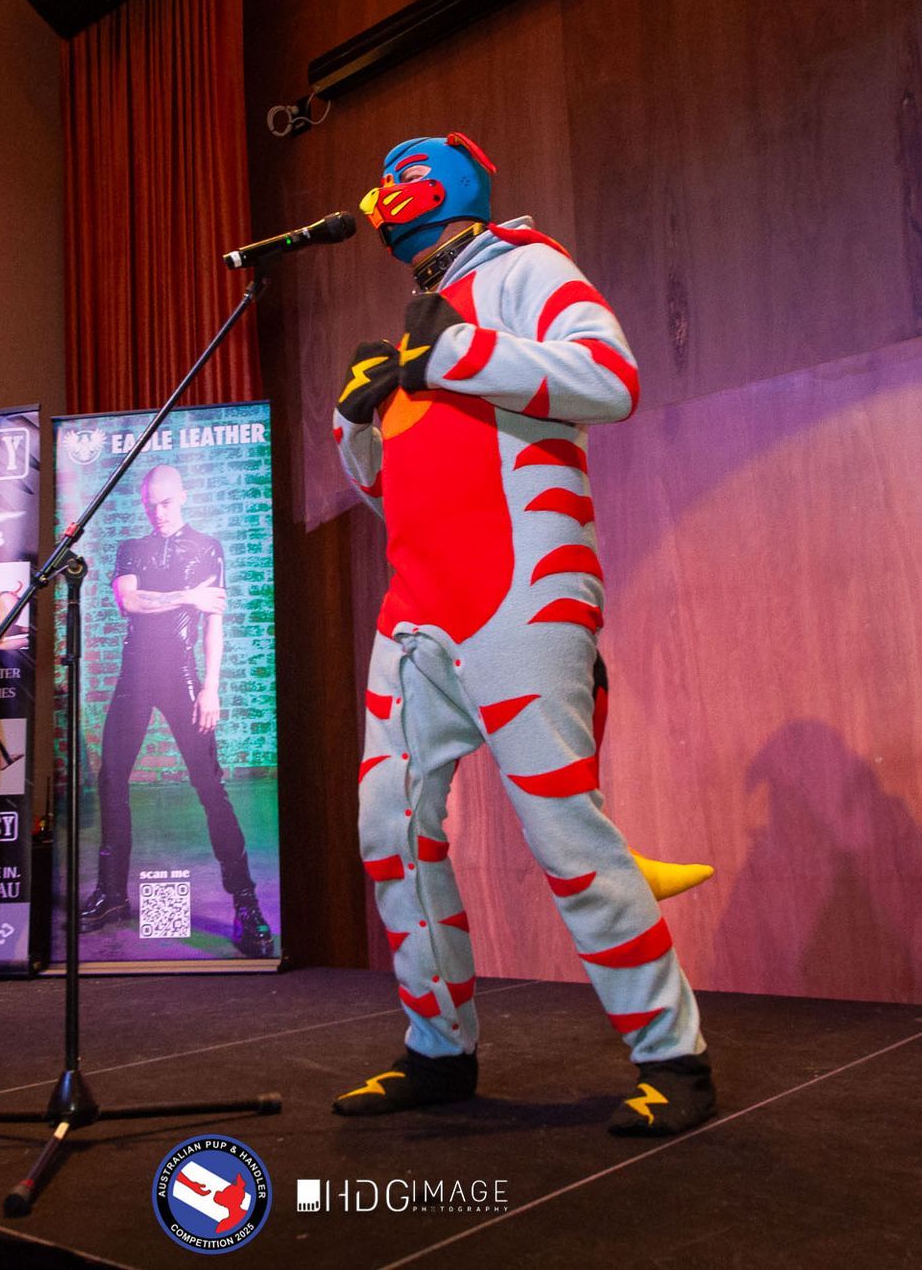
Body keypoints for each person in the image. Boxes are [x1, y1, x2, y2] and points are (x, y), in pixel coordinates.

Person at [328, 133, 716, 1135]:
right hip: (417, 602)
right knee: (388, 827)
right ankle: (437, 1047)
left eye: (398, 178)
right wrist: (360, 424)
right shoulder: (423, 321)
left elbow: (611, 379)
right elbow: (399, 491)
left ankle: (673, 1058)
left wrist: (453, 355)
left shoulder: (525, 267)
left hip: (523, 588)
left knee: (563, 829)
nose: (382, 195)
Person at [78, 465, 274, 958]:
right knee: (111, 779)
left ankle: (246, 902)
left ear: (183, 496)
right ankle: (112, 893)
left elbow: (213, 623)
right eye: (151, 505)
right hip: (135, 675)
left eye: (165, 503)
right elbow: (130, 601)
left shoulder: (207, 547)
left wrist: (211, 688)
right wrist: (188, 595)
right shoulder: (132, 548)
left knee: (210, 785)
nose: (158, 513)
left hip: (182, 676)